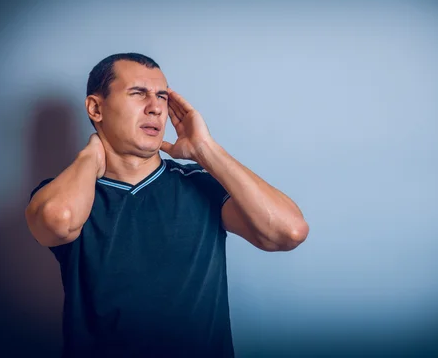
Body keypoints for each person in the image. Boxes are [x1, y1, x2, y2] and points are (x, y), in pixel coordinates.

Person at [25, 53, 309, 357]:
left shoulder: (201, 185)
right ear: (96, 108)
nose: (155, 107)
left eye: (161, 96)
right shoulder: (66, 193)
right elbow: (58, 221)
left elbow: (288, 232)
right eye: (138, 93)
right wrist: (90, 156)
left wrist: (206, 150)